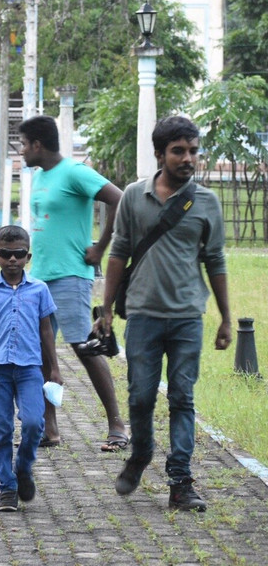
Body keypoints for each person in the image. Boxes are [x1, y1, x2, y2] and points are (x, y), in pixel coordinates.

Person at [95, 116, 231, 512]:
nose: (188, 158)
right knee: (140, 396)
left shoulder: (206, 202)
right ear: (159, 154)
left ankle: (180, 480)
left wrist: (226, 317)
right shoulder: (134, 196)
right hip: (143, 314)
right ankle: (141, 454)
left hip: (188, 316)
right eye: (178, 151)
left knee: (182, 396)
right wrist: (106, 309)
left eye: (193, 151)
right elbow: (119, 252)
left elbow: (215, 260)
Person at [18, 114, 126, 450]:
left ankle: (117, 425)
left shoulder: (75, 172)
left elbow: (118, 198)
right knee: (41, 351)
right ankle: (48, 428)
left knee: (84, 347)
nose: (21, 150)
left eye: (23, 144)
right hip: (40, 276)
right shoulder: (40, 175)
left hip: (70, 275)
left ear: (38, 144)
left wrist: (101, 246)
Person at [0, 225, 62, 512]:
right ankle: (7, 487)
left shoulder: (40, 290)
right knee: (1, 429)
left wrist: (55, 368)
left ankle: (23, 466)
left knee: (35, 422)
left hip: (30, 369)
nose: (12, 259)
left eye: (19, 254)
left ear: (28, 257)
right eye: (5, 254)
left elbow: (46, 330)